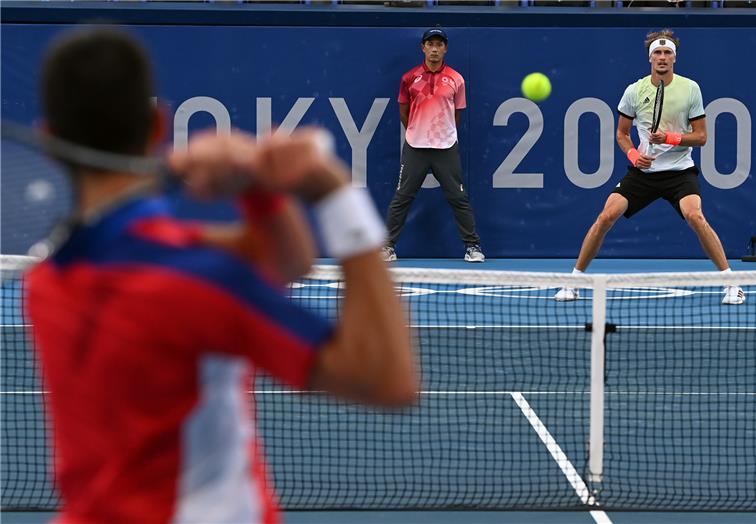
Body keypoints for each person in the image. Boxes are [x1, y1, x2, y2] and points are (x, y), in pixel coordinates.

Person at [25, 27, 418, 524]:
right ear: (157, 124)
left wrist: (257, 189)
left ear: (48, 140)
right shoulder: (202, 282)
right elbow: (387, 378)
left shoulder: (47, 279)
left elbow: (283, 263)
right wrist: (334, 193)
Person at [554, 29, 745, 305]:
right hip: (643, 173)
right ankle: (573, 282)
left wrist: (671, 138)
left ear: (674, 59)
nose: (662, 57)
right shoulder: (634, 90)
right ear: (650, 58)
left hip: (680, 172)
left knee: (695, 216)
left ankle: (732, 284)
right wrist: (633, 155)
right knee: (606, 216)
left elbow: (702, 137)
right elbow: (622, 133)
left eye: (668, 53)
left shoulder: (691, 89)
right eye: (657, 52)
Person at [382, 27, 485, 263]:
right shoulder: (409, 78)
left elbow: (457, 114)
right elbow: (403, 111)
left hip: (445, 148)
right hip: (415, 146)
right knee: (402, 197)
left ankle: (473, 247)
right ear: (423, 48)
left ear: (445, 49)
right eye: (431, 44)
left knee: (458, 198)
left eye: (439, 45)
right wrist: (419, 130)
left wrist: (441, 133)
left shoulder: (457, 79)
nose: (435, 49)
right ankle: (387, 246)